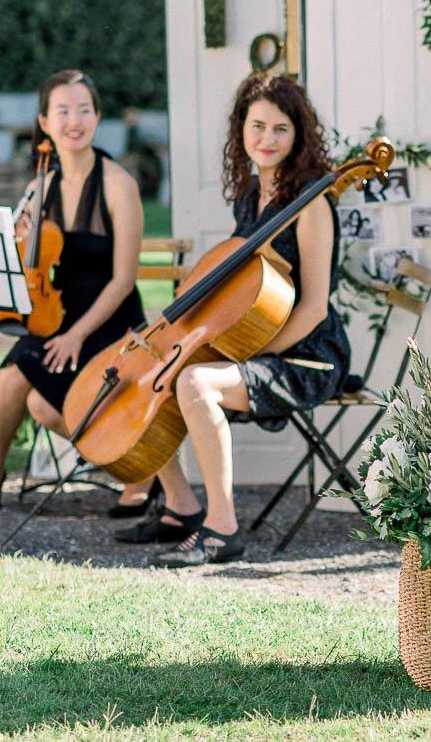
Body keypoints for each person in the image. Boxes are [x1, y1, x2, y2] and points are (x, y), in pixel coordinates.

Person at [114, 71, 350, 567]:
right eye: (258, 126)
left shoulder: (312, 205)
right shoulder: (250, 194)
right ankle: (181, 506)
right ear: (241, 128)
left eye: (280, 129)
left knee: (196, 382)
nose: (267, 139)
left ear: (299, 134)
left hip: (307, 354)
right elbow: (240, 288)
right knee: (152, 375)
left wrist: (243, 352)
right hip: (257, 344)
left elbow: (314, 308)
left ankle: (222, 530)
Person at [0, 70, 149, 514]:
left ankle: (138, 468)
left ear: (98, 117)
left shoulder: (118, 185)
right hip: (58, 317)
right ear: (45, 123)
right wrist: (18, 242)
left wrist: (76, 336)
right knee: (16, 378)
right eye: (63, 111)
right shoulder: (39, 187)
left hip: (111, 320)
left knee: (44, 404)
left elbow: (124, 279)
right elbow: (26, 276)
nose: (75, 121)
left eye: (84, 110)